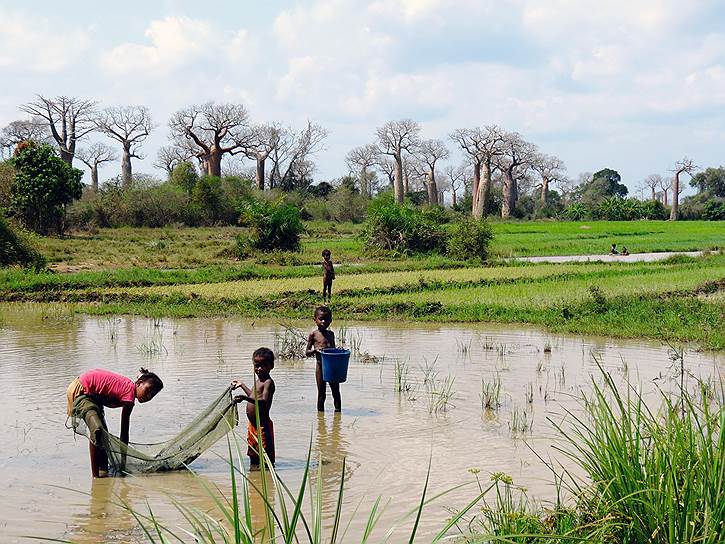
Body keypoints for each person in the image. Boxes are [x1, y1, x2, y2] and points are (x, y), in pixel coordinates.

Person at [66, 368, 164, 477]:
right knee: (97, 430)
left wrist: (122, 463)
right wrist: (123, 464)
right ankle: (95, 477)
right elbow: (124, 434)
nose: (148, 396)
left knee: (103, 437)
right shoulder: (129, 396)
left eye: (152, 395)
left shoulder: (129, 391)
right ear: (139, 384)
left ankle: (103, 473)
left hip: (93, 397)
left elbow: (124, 431)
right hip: (82, 391)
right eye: (148, 390)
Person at [232, 347, 276, 467]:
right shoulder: (258, 381)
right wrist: (242, 385)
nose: (259, 369)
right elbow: (253, 395)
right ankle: (254, 476)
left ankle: (268, 479)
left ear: (271, 366)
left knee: (265, 458)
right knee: (254, 455)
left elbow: (263, 402)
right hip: (253, 426)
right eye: (256, 366)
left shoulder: (268, 382)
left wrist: (245, 398)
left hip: (263, 426)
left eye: (263, 366)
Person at [306, 306, 340, 412]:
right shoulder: (313, 334)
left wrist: (339, 350)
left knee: (336, 392)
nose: (323, 322)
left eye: (326, 319)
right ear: (315, 319)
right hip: (320, 368)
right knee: (321, 394)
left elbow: (333, 351)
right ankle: (320, 420)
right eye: (321, 319)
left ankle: (338, 414)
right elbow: (307, 353)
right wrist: (315, 350)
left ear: (331, 320)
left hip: (332, 368)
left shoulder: (331, 334)